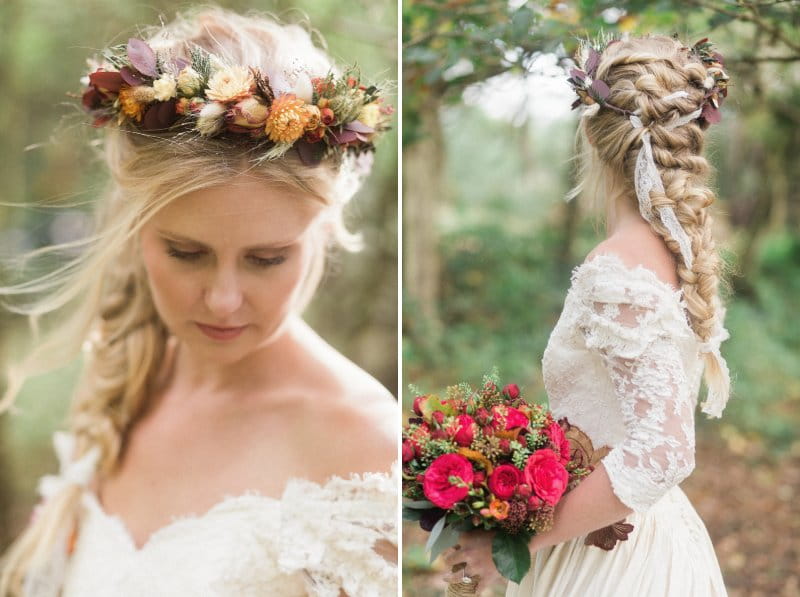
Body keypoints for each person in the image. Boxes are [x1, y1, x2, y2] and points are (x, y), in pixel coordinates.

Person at [0, 7, 397, 596]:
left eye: (267, 259)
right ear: (135, 226)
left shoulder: (363, 444)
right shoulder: (125, 375)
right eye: (186, 252)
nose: (224, 299)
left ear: (326, 228)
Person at [442, 34, 731, 596]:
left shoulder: (619, 266)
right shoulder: (671, 254)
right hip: (643, 532)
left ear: (595, 140)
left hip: (614, 562)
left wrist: (516, 548)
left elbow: (663, 452)